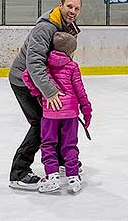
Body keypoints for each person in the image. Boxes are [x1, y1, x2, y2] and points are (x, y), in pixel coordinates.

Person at [8, 0, 82, 190]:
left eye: (76, 8)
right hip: (24, 81)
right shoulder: (45, 28)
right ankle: (19, 172)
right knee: (42, 124)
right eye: (69, 6)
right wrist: (50, 91)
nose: (72, 11)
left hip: (41, 82)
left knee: (55, 119)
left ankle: (61, 160)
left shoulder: (67, 26)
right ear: (61, 5)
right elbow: (34, 64)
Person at [22, 32, 92, 193]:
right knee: (69, 144)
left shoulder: (45, 64)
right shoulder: (73, 66)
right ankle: (73, 176)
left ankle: (52, 176)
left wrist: (38, 93)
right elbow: (80, 91)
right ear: (71, 52)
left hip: (50, 113)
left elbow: (26, 75)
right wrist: (86, 110)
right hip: (71, 114)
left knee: (48, 144)